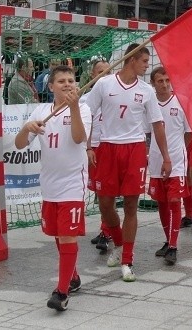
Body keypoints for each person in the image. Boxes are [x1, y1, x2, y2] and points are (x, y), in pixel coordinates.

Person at [84, 43, 171, 282]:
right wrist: (89, 145)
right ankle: (120, 243)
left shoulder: (147, 91)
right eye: (144, 61)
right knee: (105, 203)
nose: (147, 66)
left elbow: (157, 124)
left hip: (134, 148)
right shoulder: (104, 84)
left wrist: (166, 156)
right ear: (132, 60)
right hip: (108, 148)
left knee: (131, 205)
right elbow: (87, 114)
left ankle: (127, 260)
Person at [14, 65, 92, 311]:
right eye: (62, 81)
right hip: (50, 184)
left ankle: (61, 292)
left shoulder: (84, 108)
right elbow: (18, 145)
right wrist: (27, 128)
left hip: (72, 183)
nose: (68, 84)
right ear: (51, 87)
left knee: (67, 235)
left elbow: (79, 138)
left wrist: (74, 108)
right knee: (58, 234)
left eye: (71, 80)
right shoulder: (41, 111)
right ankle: (74, 276)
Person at [147, 67, 192, 265]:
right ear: (153, 84)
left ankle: (173, 246)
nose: (164, 84)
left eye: (167, 80)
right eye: (160, 81)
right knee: (162, 202)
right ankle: (167, 240)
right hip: (156, 160)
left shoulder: (181, 102)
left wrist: (177, 151)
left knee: (174, 201)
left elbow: (189, 133)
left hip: (176, 161)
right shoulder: (149, 105)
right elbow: (145, 132)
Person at [81, 59, 113, 253]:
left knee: (106, 191)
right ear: (93, 76)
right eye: (100, 72)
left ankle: (106, 230)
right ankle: (105, 227)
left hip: (109, 147)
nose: (104, 75)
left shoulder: (116, 96)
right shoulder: (85, 99)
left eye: (108, 72)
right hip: (91, 149)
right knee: (98, 192)